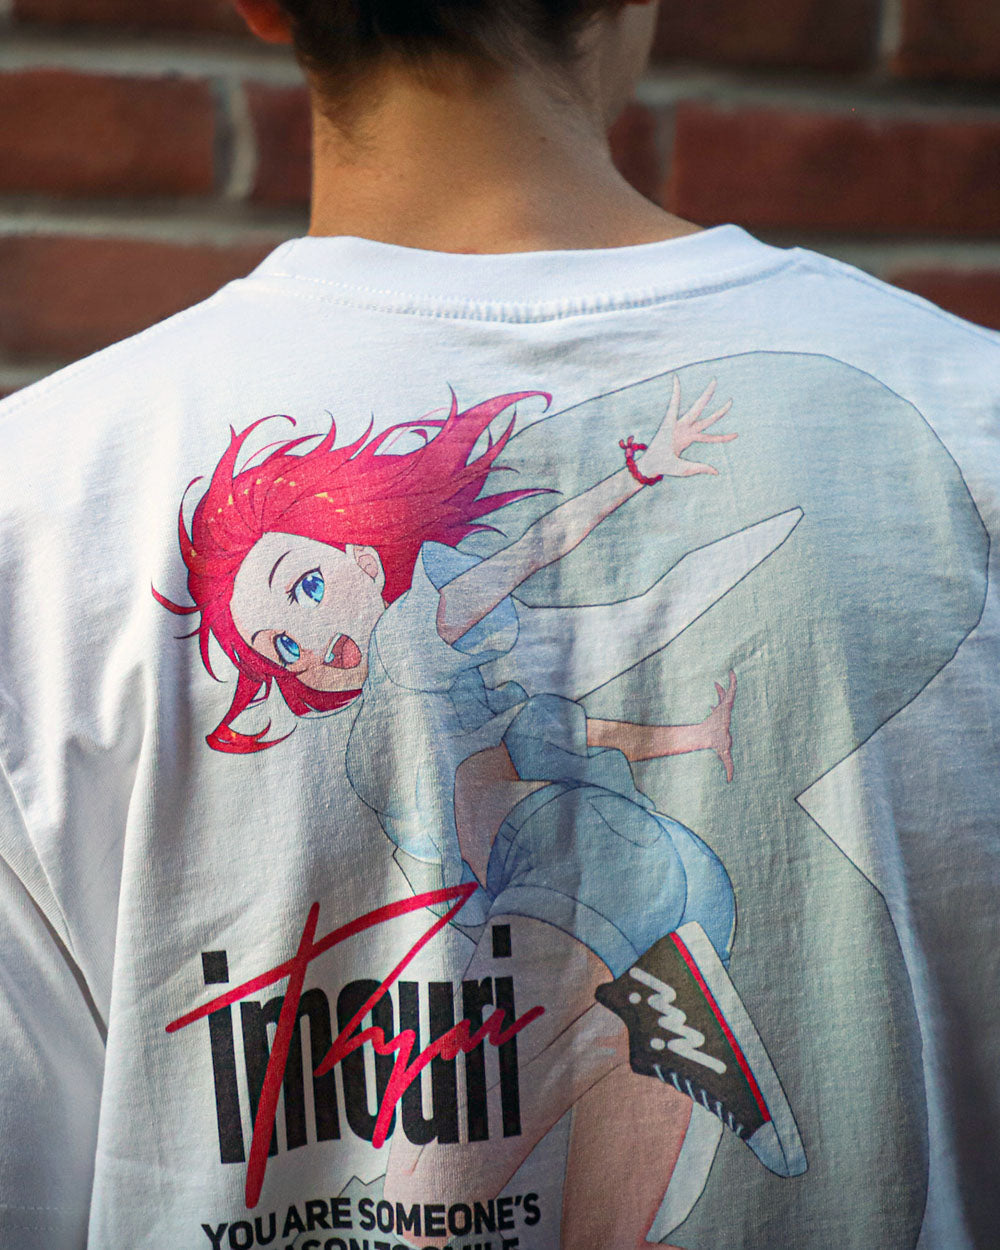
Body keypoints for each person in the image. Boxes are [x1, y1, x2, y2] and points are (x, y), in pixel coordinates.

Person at [0, 2, 996, 1249]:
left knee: (471, 1110)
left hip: (552, 869)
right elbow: (578, 700)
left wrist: (633, 482)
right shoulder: (978, 425)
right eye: (280, 650)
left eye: (299, 594)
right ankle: (647, 1014)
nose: (307, 646)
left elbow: (534, 562)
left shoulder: (40, 509)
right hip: (614, 877)